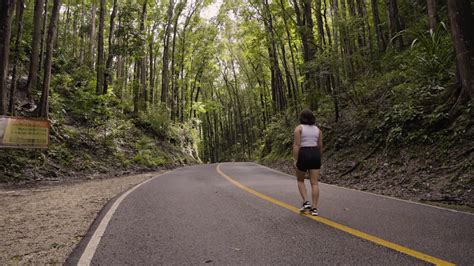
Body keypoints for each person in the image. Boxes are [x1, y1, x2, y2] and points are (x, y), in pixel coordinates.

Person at [293, 109, 323, 216]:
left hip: (304, 153)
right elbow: (320, 146)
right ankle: (314, 209)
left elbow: (297, 145)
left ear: (302, 118)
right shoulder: (318, 130)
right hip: (315, 154)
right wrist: (319, 158)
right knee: (314, 183)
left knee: (300, 180)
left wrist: (295, 159)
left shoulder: (299, 128)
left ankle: (306, 201)